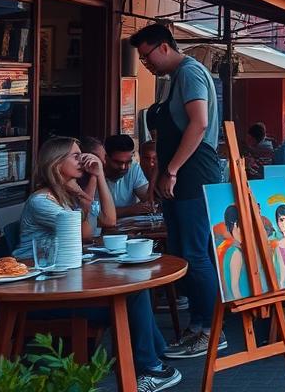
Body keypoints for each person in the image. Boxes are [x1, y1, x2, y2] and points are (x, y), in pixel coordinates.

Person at [15, 137, 180, 391]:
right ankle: (150, 366)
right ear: (56, 164)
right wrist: (84, 190)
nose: (82, 160)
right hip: (38, 293)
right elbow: (85, 233)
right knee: (132, 294)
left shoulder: (64, 197)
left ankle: (152, 360)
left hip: (61, 284)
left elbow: (108, 219)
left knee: (136, 287)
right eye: (75, 156)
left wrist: (99, 175)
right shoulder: (42, 202)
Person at [129, 23, 224, 359]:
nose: (146, 64)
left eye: (147, 56)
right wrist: (157, 175)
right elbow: (168, 137)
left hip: (194, 174)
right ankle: (196, 327)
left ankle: (210, 330)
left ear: (164, 47)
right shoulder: (172, 80)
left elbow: (198, 124)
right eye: (142, 59)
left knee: (196, 254)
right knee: (183, 252)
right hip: (178, 175)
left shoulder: (190, 73)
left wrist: (171, 170)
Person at [103, 134, 153, 218]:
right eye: (118, 162)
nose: (123, 167)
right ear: (106, 158)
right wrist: (132, 210)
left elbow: (148, 201)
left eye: (128, 162)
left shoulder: (133, 168)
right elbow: (97, 214)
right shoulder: (95, 171)